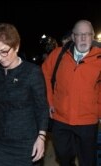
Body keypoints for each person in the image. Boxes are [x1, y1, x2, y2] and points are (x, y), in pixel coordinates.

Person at [0, 23, 49, 166]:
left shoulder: (32, 72)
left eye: (4, 51)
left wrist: (41, 137)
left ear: (16, 47)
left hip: (27, 143)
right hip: (1, 142)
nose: (0, 57)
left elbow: (42, 107)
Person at [42, 19, 101, 166]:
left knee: (88, 161)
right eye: (79, 34)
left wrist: (99, 110)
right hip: (60, 118)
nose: (83, 38)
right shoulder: (58, 54)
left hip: (88, 120)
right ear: (73, 37)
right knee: (63, 157)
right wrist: (49, 101)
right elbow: (44, 75)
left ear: (92, 37)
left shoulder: (99, 58)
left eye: (87, 34)